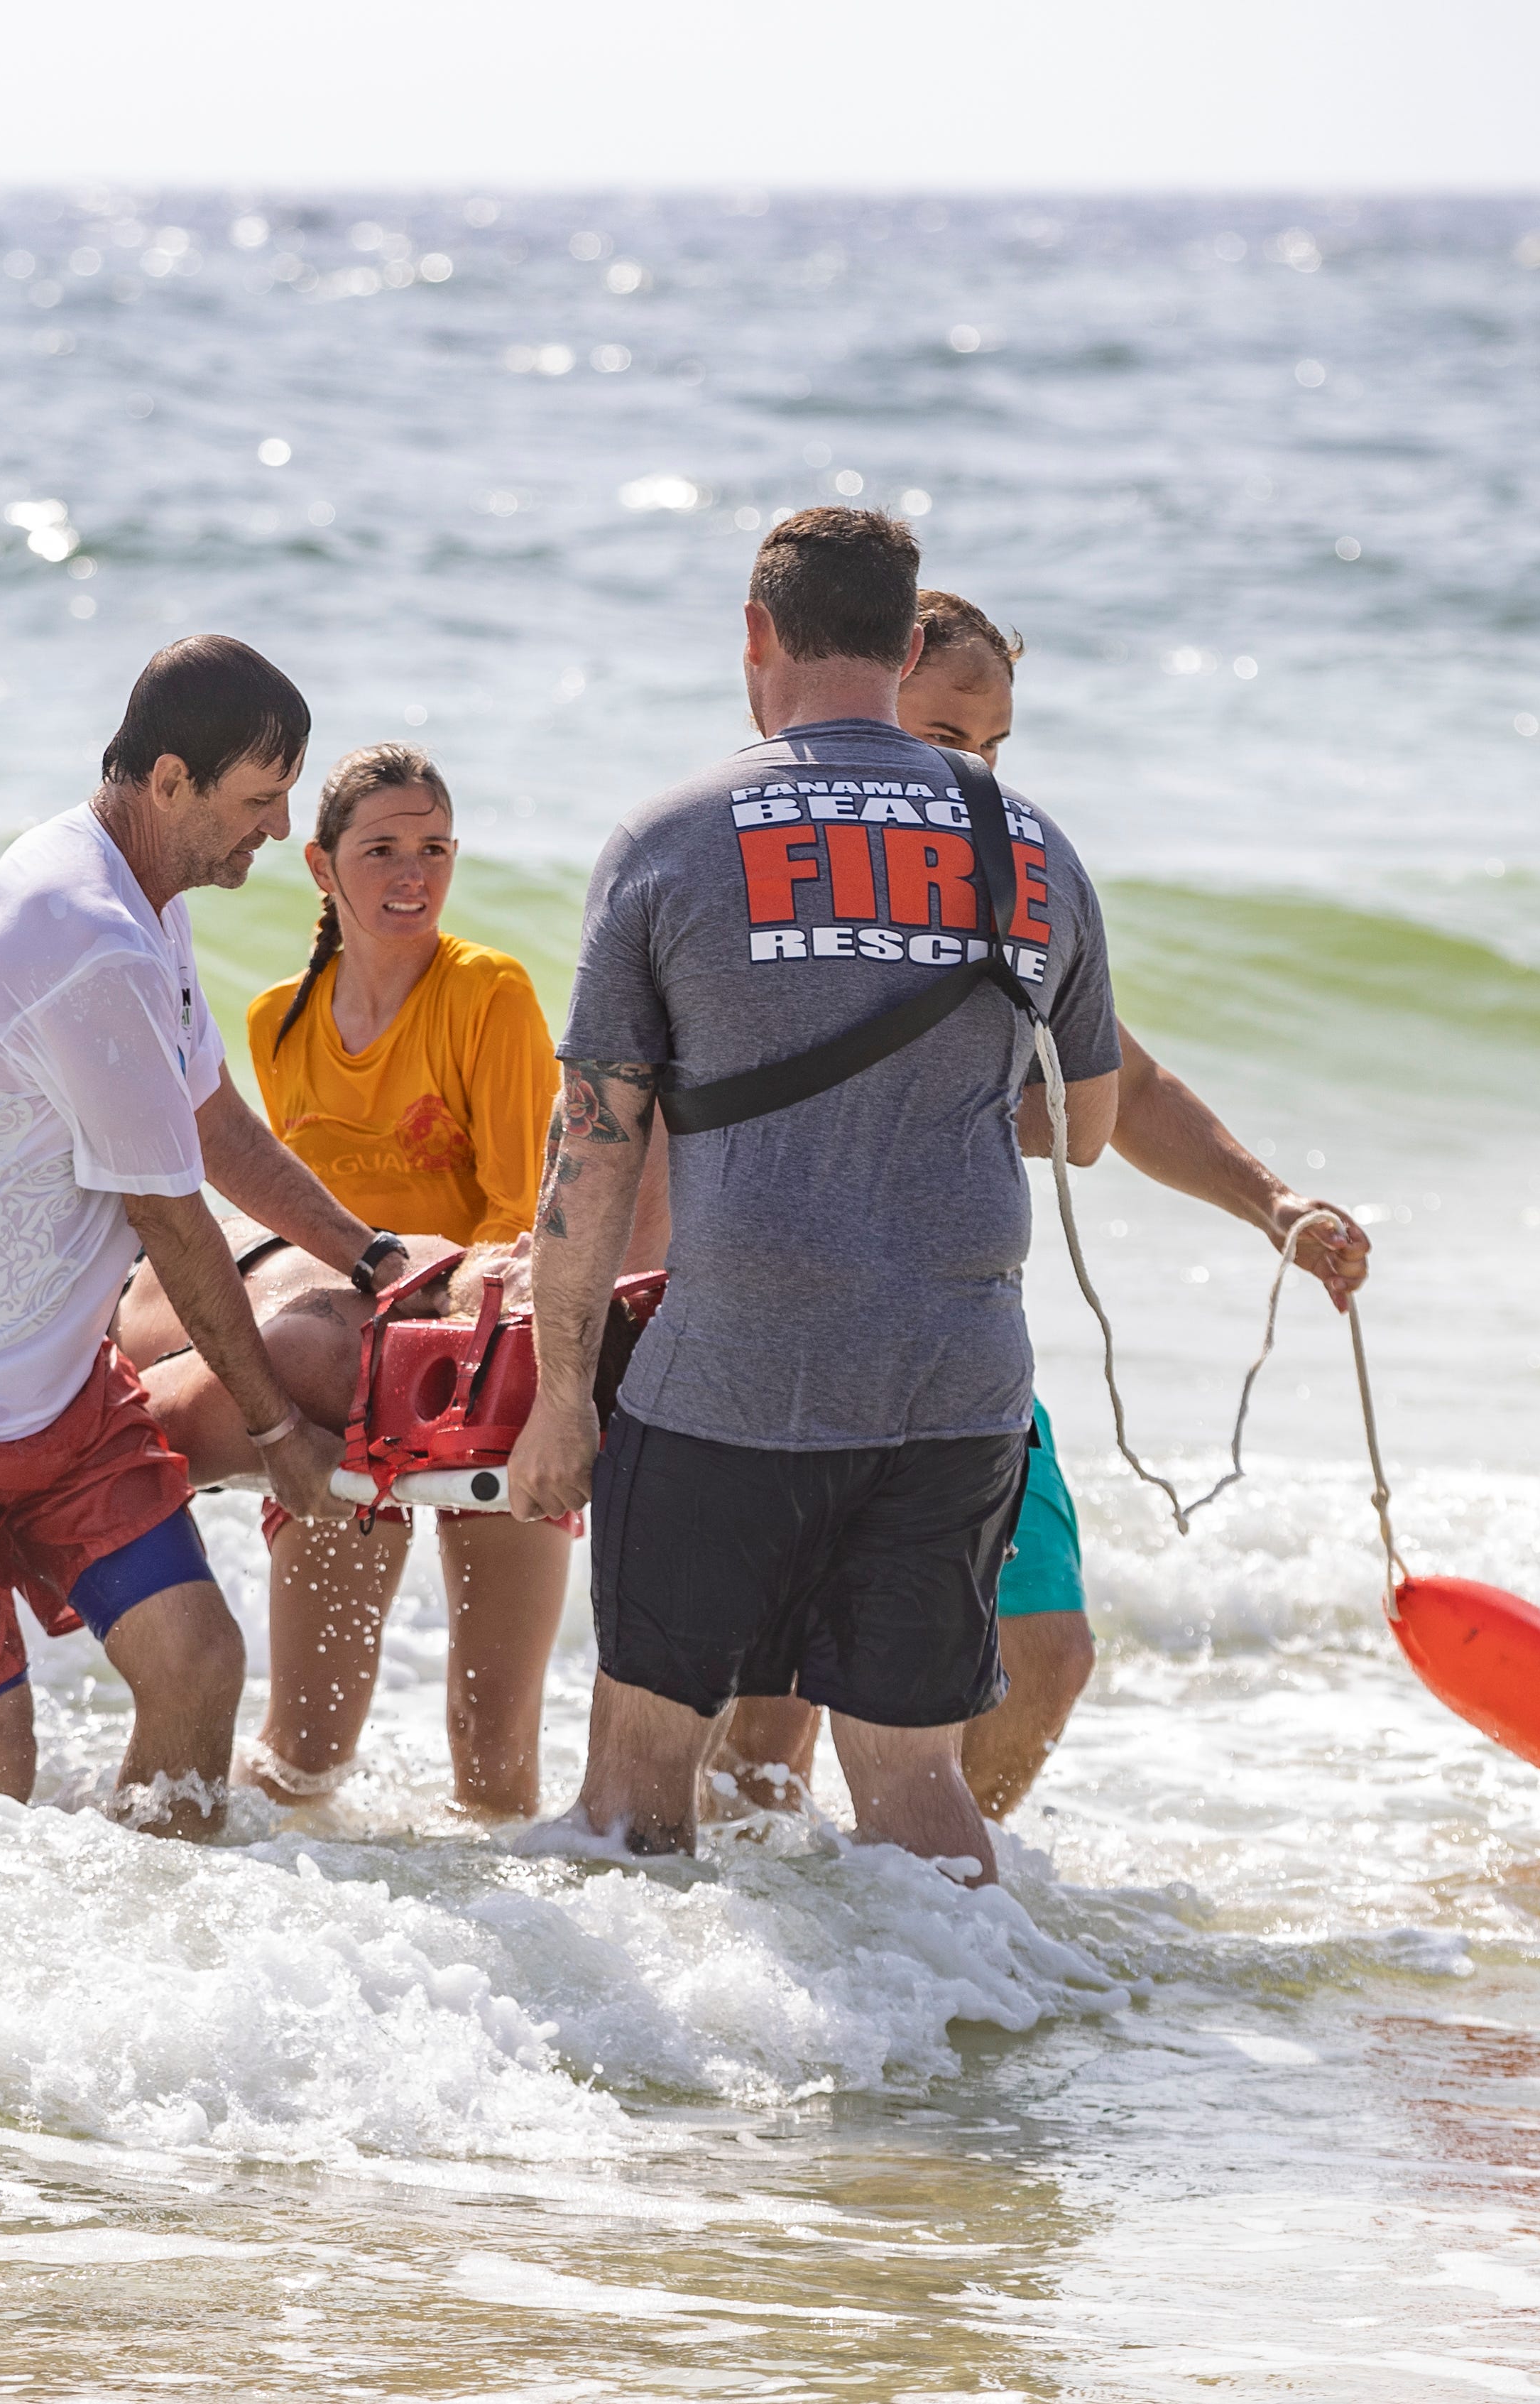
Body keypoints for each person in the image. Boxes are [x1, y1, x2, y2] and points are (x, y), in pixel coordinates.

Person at [508, 508, 1123, 1883]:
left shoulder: (669, 835)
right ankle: (985, 2063)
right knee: (913, 1787)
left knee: (633, 1802)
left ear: (755, 635)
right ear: (909, 645)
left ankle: (656, 2084)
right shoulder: (1029, 839)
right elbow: (1086, 1123)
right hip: (958, 1385)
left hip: (731, 1375)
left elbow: (595, 1146)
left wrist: (560, 1395)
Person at [711, 588, 1375, 1823]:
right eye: (951, 737)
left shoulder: (1003, 889)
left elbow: (1123, 1083)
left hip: (962, 1339)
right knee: (772, 1701)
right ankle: (789, 1929)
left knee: (1049, 1648)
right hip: (780, 1335)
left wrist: (1276, 1206)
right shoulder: (760, 869)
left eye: (996, 747)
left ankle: (920, 1903)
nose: (979, 774)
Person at [0, 636, 421, 1835]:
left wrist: (370, 1255)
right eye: (258, 801)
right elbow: (172, 1222)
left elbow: (211, 1119)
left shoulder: (144, 901)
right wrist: (275, 1432)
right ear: (169, 781)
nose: (277, 832)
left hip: (51, 1392)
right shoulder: (89, 936)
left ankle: (151, 1952)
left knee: (197, 1662)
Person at [234, 744, 567, 1817]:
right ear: (324, 868)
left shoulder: (489, 994)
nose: (411, 873)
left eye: (432, 848)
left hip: (488, 1383)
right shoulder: (276, 1022)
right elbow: (293, 1230)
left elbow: (522, 1220)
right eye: (381, 850)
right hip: (347, 1387)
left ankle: (515, 1967)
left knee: (492, 1748)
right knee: (305, 1748)